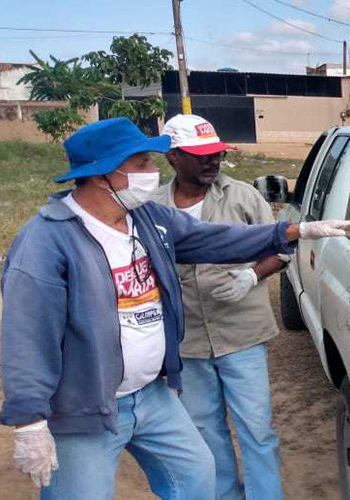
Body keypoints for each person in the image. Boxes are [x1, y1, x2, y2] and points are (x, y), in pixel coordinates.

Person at [0, 117, 350, 500]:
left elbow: (215, 238)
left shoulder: (144, 219)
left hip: (151, 394)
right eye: (141, 163)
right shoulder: (47, 242)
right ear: (103, 173)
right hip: (86, 407)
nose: (151, 171)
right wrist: (29, 421)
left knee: (195, 475)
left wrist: (295, 231)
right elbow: (27, 336)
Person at [152, 114, 286, 500]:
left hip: (242, 334)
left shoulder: (243, 196)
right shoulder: (153, 206)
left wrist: (252, 276)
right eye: (202, 155)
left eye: (217, 154)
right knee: (206, 429)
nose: (214, 162)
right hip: (187, 340)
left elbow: (281, 248)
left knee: (257, 430)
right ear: (174, 157)